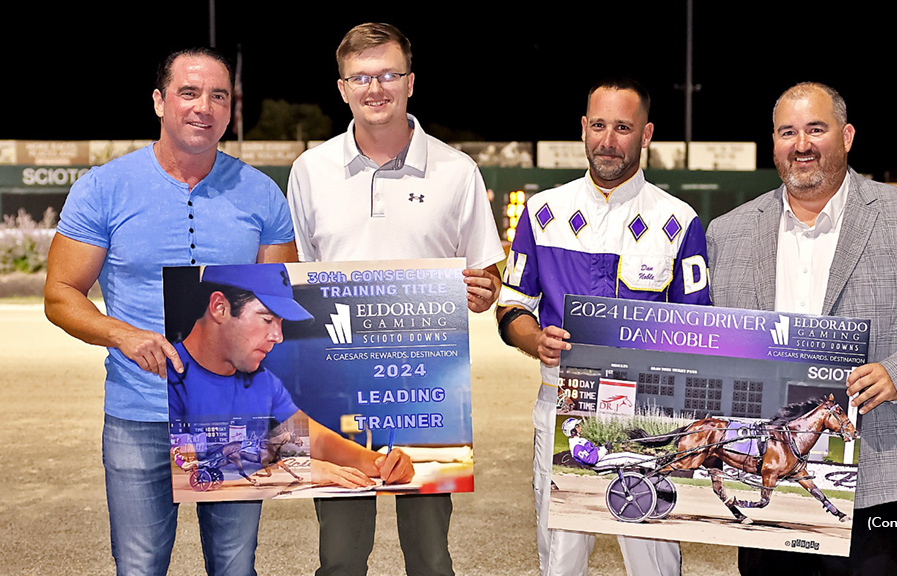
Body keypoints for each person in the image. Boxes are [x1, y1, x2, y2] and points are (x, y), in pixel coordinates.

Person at [705, 82, 897, 575]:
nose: (801, 144)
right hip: (771, 467)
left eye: (816, 129)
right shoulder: (728, 232)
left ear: (847, 136)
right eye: (787, 132)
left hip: (881, 473)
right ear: (773, 143)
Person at [44, 47, 297, 576]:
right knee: (139, 567)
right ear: (160, 101)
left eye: (218, 95)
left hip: (234, 417)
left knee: (234, 566)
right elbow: (61, 293)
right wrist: (123, 335)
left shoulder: (263, 194)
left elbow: (281, 307)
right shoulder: (103, 187)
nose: (203, 106)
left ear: (232, 109)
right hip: (138, 414)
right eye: (188, 92)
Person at [286, 23, 505, 576]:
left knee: (430, 557)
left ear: (410, 82)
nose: (374, 88)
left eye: (387, 74)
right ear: (342, 88)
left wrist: (484, 290)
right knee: (339, 557)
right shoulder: (309, 171)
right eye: (360, 77)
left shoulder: (458, 172)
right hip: (336, 382)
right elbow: (298, 279)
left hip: (425, 385)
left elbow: (486, 272)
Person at [495, 77, 711, 576]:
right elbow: (511, 309)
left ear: (646, 134)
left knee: (654, 557)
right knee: (561, 561)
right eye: (598, 125)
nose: (608, 140)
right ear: (583, 128)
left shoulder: (678, 220)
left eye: (622, 127)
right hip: (562, 405)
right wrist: (537, 340)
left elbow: (698, 330)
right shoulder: (542, 212)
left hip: (649, 414)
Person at [168, 264, 413, 489]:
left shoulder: (264, 382)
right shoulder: (163, 376)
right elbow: (184, 473)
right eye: (267, 319)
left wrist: (381, 463)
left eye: (280, 322)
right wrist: (294, 470)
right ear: (220, 308)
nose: (278, 336)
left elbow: (317, 443)